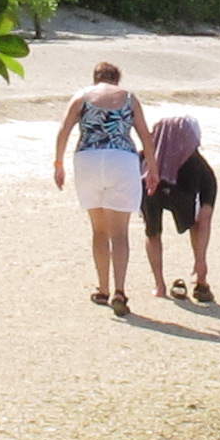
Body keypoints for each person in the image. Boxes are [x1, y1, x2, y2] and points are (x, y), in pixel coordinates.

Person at [51, 62, 154, 317]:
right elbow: (145, 135)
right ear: (117, 79)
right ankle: (120, 290)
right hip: (122, 159)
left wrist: (59, 163)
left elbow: (63, 130)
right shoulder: (129, 98)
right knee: (120, 233)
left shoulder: (82, 96)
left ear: (95, 78)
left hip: (88, 159)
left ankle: (103, 289)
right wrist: (153, 169)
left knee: (99, 230)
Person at [139, 113, 218, 304]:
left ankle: (160, 286)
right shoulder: (197, 164)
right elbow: (204, 217)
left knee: (152, 231)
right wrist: (201, 260)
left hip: (154, 186)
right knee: (195, 222)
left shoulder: (145, 164)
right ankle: (200, 280)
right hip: (174, 188)